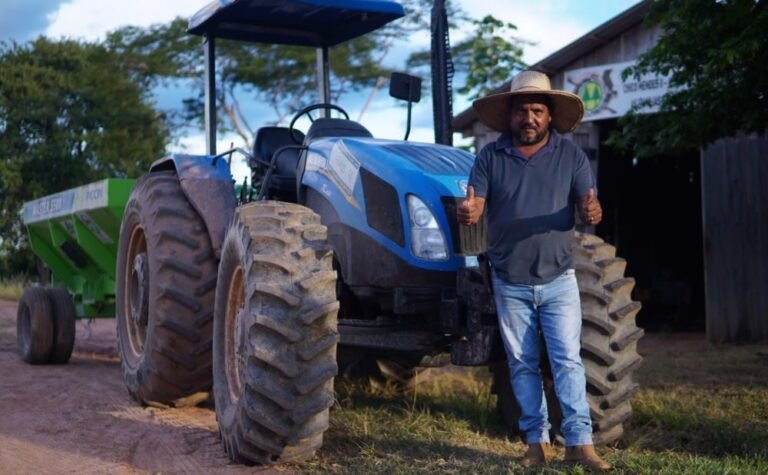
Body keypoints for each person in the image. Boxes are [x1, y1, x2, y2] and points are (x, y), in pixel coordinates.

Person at [458, 70, 611, 471]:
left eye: (537, 110)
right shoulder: (490, 156)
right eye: (522, 110)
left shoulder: (572, 155)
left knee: (568, 361)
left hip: (560, 278)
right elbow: (476, 206)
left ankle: (580, 443)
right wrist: (470, 211)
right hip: (509, 280)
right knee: (522, 364)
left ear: (549, 115)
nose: (529, 118)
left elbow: (587, 205)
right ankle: (536, 444)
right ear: (510, 115)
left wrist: (591, 211)